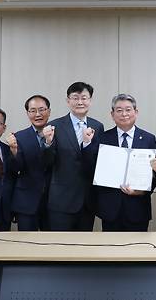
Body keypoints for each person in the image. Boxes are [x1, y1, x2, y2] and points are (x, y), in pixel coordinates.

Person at [86, 94, 156, 231]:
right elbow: (92, 169)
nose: (124, 114)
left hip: (138, 208)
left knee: (138, 251)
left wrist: (141, 191)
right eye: (119, 110)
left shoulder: (148, 139)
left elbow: (155, 175)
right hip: (110, 210)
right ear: (112, 114)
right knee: (111, 250)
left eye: (128, 109)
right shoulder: (102, 138)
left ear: (136, 112)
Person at [42, 82, 104, 231]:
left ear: (90, 101)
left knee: (83, 249)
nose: (80, 102)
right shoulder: (54, 125)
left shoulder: (98, 126)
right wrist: (48, 143)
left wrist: (87, 144)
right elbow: (47, 163)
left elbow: (97, 162)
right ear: (68, 101)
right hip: (61, 200)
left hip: (87, 201)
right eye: (75, 98)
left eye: (84, 97)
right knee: (60, 248)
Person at [9, 95, 52, 231]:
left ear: (49, 111)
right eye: (33, 110)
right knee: (26, 244)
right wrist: (14, 150)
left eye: (41, 109)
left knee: (52, 244)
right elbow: (15, 169)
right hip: (26, 201)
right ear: (27, 113)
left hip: (53, 201)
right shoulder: (19, 137)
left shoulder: (58, 133)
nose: (38, 114)